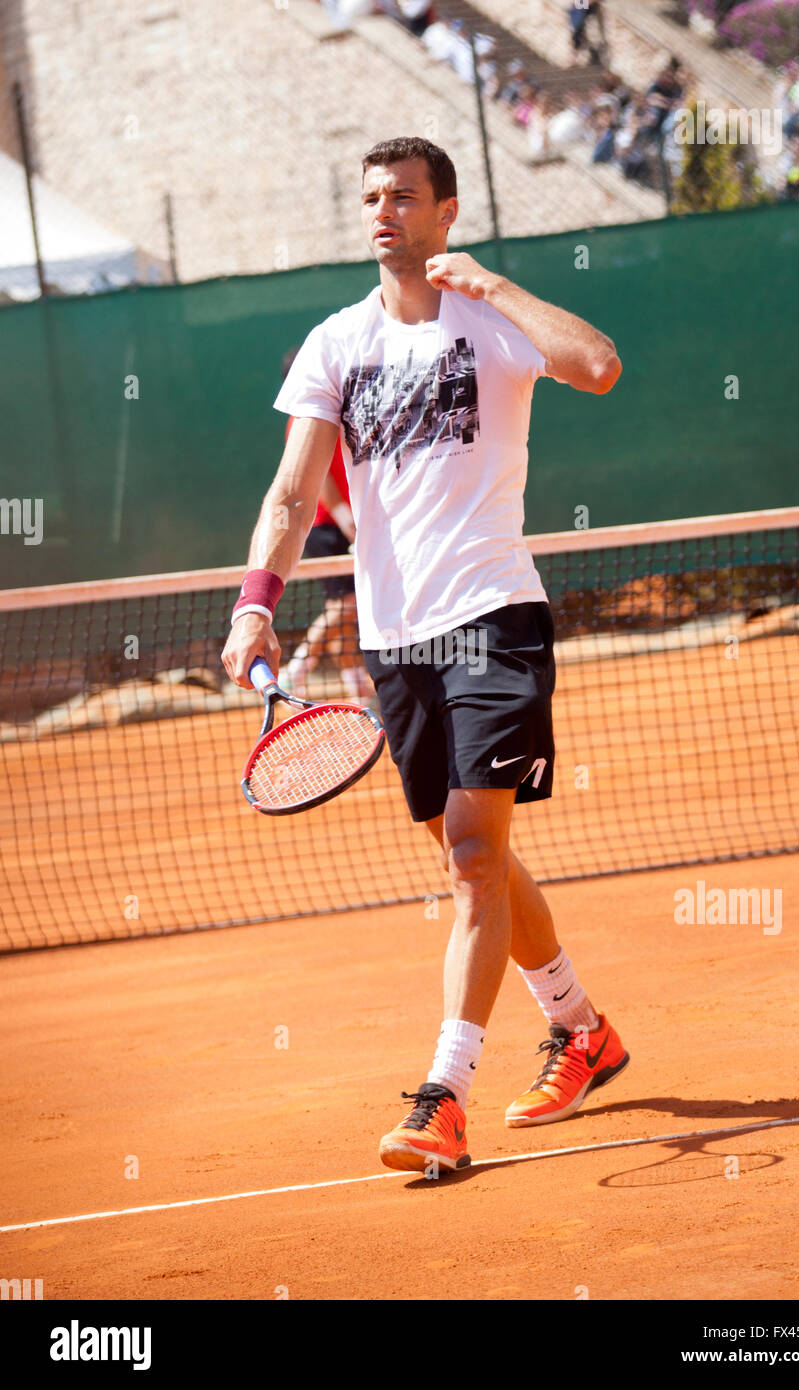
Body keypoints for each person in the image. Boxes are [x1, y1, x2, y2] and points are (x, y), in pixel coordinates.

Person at [222, 136, 626, 1175]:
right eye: (369, 197)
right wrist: (253, 604)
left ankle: (442, 1096)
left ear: (446, 212)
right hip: (395, 641)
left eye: (403, 196)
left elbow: (597, 366)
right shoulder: (334, 344)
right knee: (470, 854)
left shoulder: (494, 321)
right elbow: (290, 489)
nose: (382, 211)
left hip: (493, 614)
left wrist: (491, 284)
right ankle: (581, 1030)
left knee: (474, 852)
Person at [277, 349, 372, 704]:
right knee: (345, 607)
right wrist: (346, 518)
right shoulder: (301, 420)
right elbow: (317, 479)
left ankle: (357, 686)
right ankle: (297, 667)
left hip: (349, 519)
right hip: (325, 527)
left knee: (345, 610)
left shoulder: (338, 410)